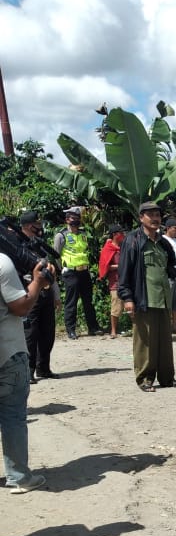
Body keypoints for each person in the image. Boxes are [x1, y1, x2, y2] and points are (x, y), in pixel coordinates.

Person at [117, 200, 176, 393]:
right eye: (151, 215)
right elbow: (124, 272)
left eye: (157, 215)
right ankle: (145, 379)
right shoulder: (133, 240)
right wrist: (128, 298)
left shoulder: (163, 242)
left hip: (163, 298)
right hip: (143, 299)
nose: (155, 219)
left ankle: (167, 378)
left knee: (164, 341)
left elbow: (171, 263)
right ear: (141, 218)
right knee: (145, 341)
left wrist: (169, 275)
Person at [0, 249, 51, 492]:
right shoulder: (2, 263)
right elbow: (20, 306)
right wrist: (38, 283)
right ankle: (19, 477)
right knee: (13, 418)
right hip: (7, 353)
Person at [20, 209, 61, 379]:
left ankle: (43, 367)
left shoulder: (40, 244)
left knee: (48, 332)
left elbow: (50, 270)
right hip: (30, 291)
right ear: (30, 226)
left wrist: (56, 294)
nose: (40, 227)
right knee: (31, 333)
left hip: (46, 292)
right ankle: (28, 370)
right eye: (37, 224)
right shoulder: (18, 245)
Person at [52, 206, 102, 338]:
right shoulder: (61, 235)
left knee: (88, 301)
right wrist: (62, 268)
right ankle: (71, 329)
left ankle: (93, 327)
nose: (77, 221)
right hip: (70, 272)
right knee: (71, 302)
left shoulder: (83, 234)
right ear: (67, 219)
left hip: (84, 271)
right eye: (74, 218)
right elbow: (56, 254)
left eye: (78, 218)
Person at [97, 224, 125, 339]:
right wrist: (120, 266)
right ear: (114, 234)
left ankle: (136, 328)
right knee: (116, 306)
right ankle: (113, 330)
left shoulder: (124, 246)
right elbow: (105, 266)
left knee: (132, 305)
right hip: (115, 281)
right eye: (121, 233)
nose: (123, 235)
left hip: (126, 280)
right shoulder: (108, 248)